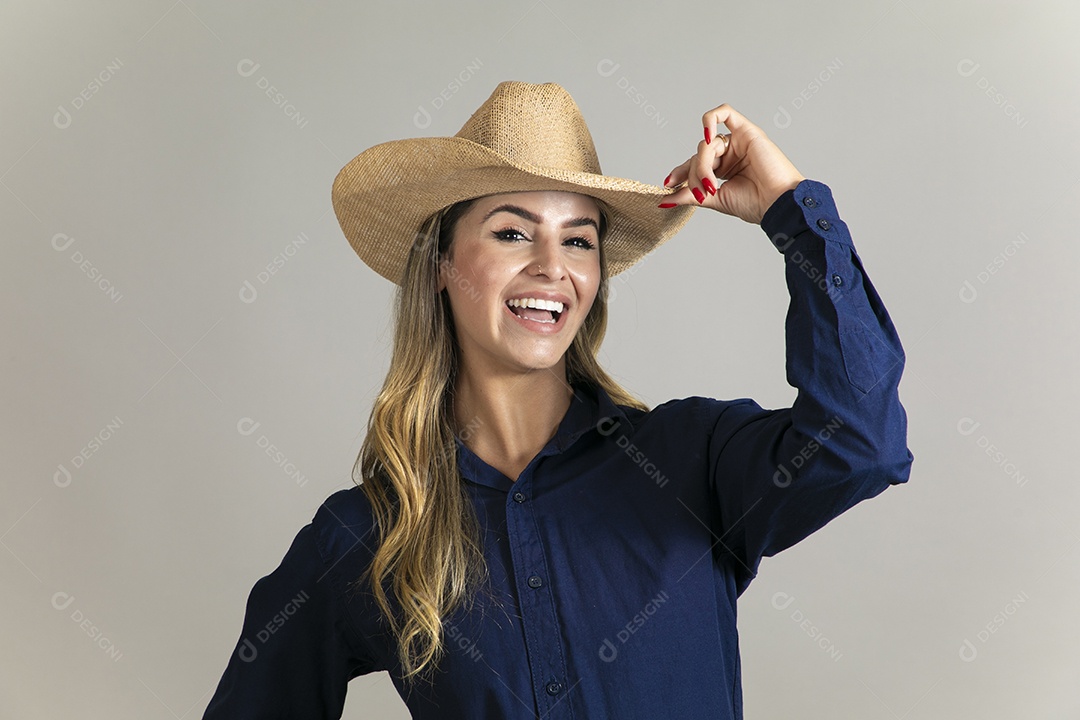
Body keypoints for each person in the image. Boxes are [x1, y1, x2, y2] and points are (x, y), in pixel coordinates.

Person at [202, 80, 913, 719]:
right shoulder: (367, 535)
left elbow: (860, 444)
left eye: (578, 241)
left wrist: (793, 213)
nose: (551, 266)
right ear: (444, 265)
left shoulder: (690, 461)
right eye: (512, 232)